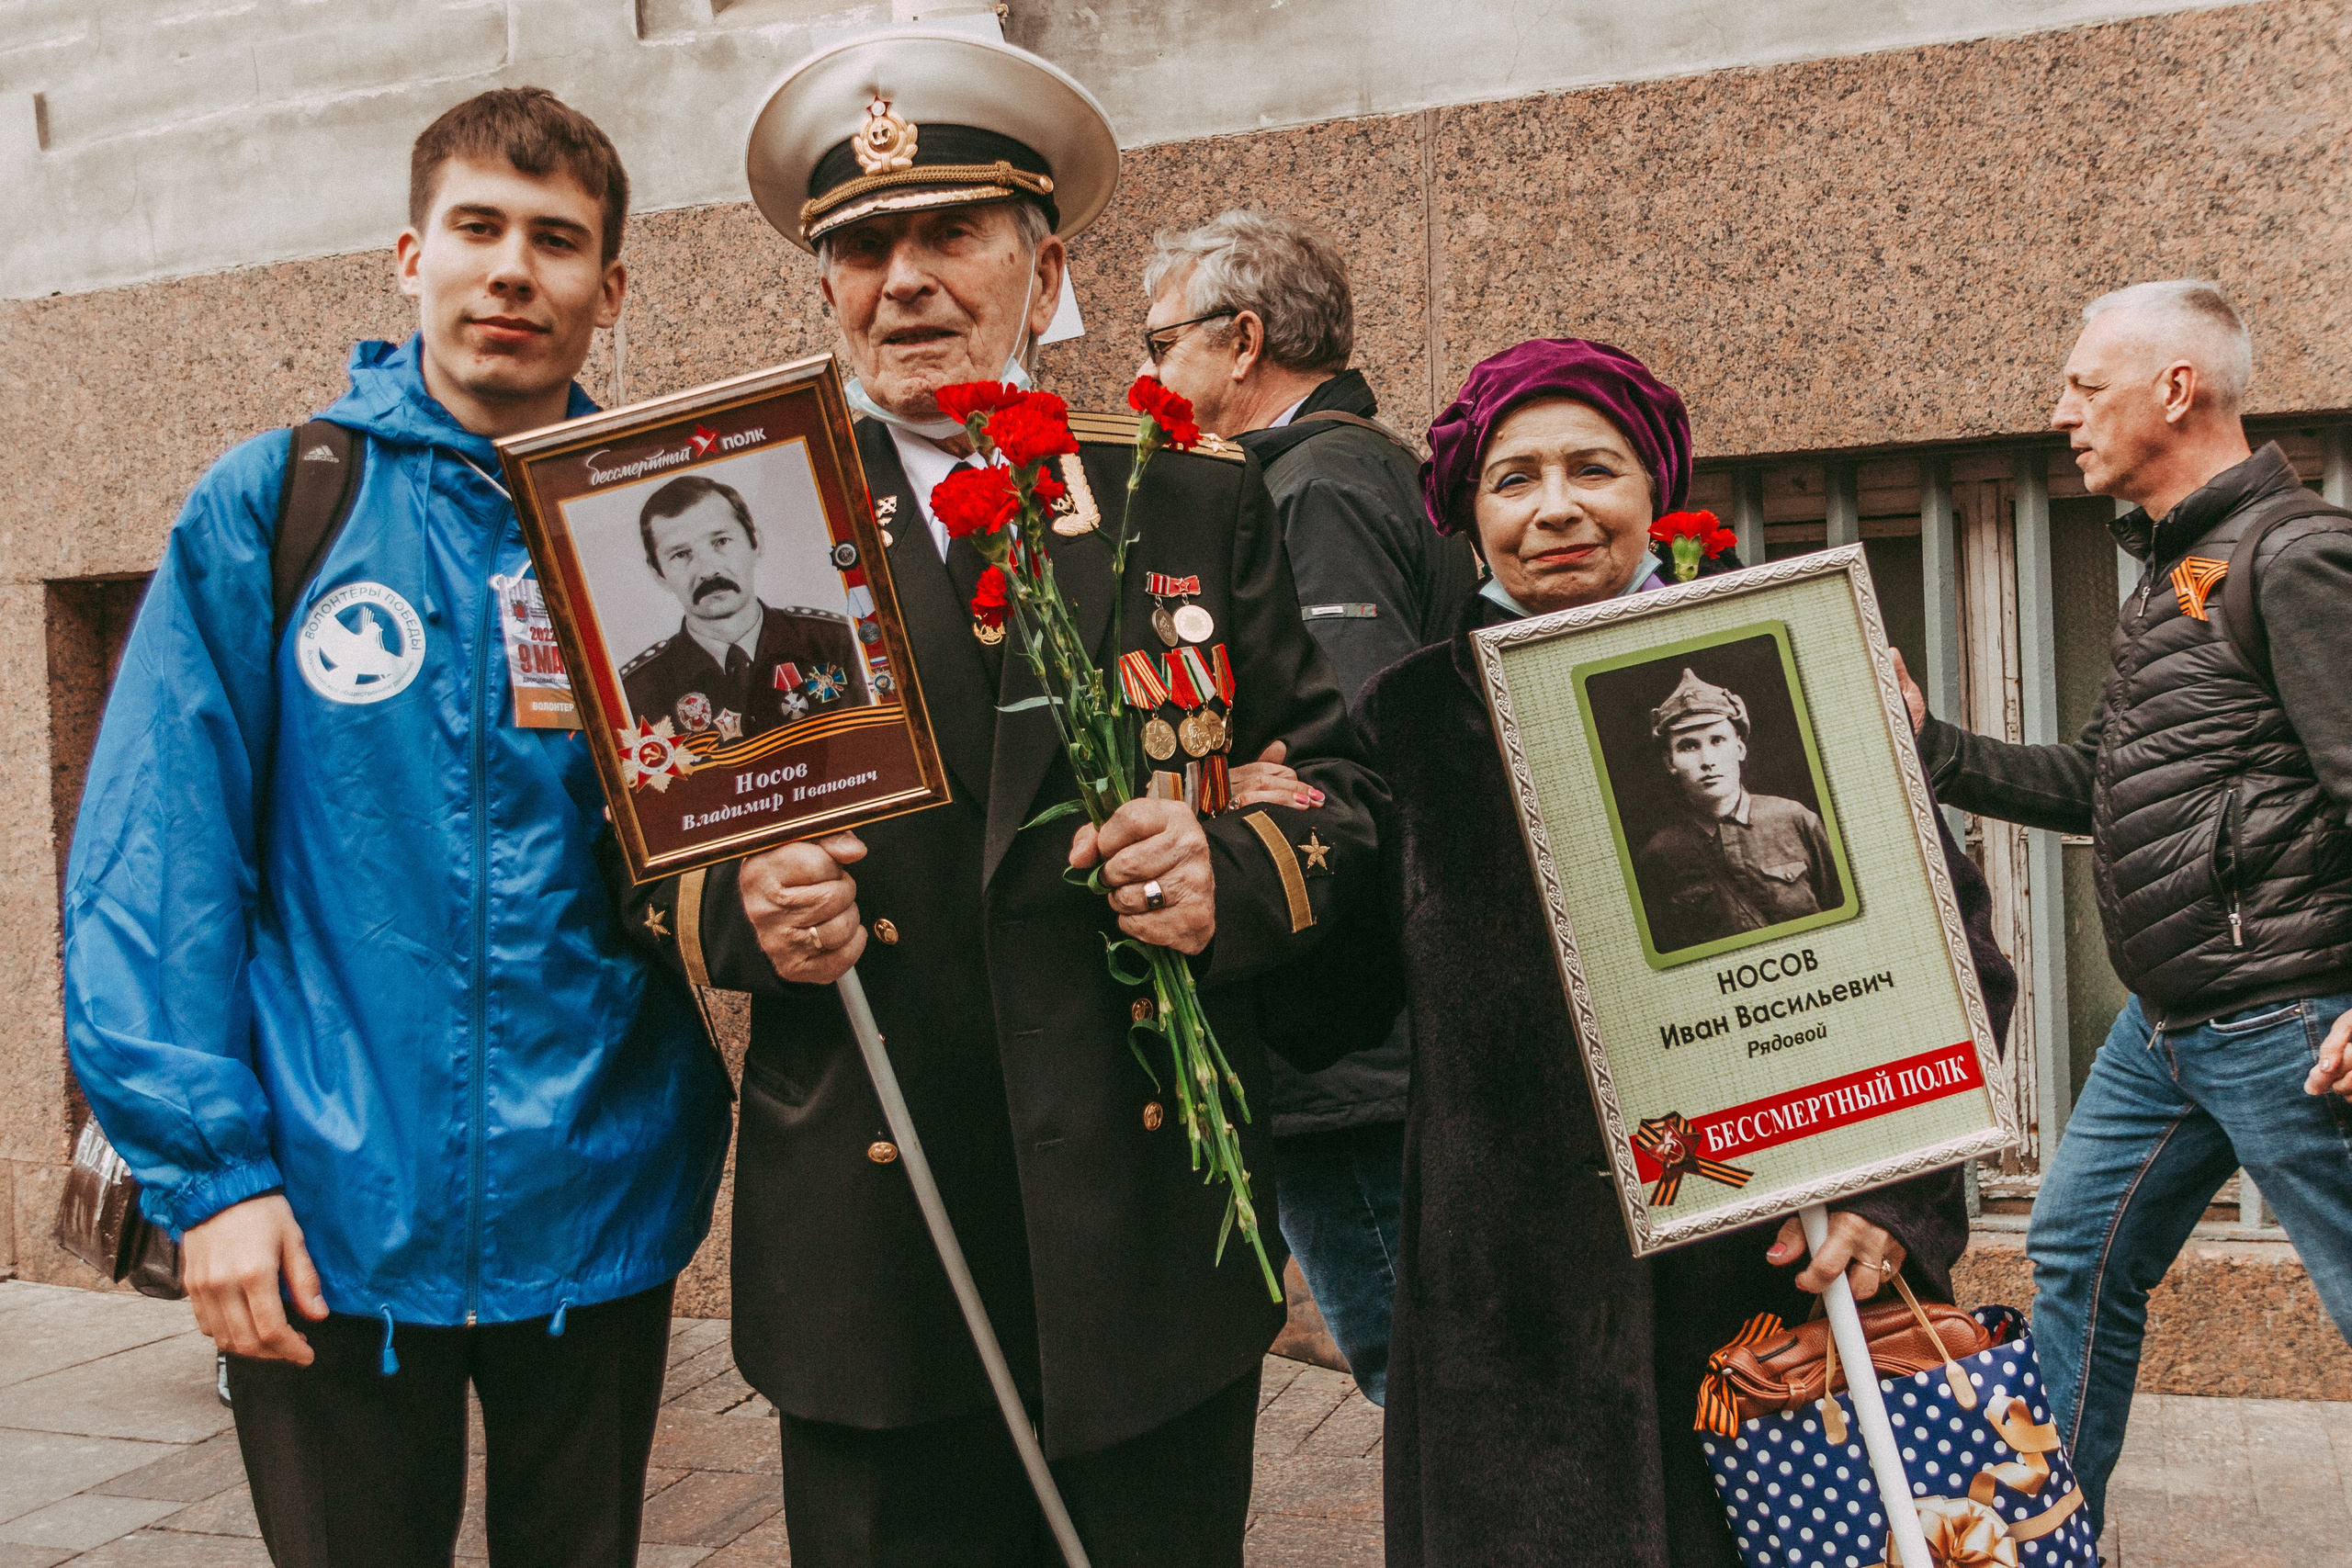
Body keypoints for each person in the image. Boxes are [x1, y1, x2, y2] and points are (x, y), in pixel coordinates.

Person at [616, 33, 1384, 1566]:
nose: (904, 280)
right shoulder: (740, 517)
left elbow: (1344, 792)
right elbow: (636, 845)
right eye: (863, 249)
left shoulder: (1189, 494)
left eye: (949, 233)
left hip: (1145, 1231)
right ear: (826, 290)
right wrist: (741, 909)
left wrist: (1229, 869)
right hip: (876, 1245)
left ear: (1044, 275)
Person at [60, 89, 732, 1568]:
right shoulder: (277, 503)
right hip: (323, 1212)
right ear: (411, 256)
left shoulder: (654, 524)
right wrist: (213, 1178)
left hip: (598, 1191)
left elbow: (733, 822)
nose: (513, 271)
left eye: (556, 239)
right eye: (478, 228)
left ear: (612, 286)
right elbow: (159, 862)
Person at [1339, 338, 2015, 1566]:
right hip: (1516, 1320)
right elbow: (1331, 1002)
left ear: (1653, 488)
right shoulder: (1409, 722)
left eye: (1592, 467)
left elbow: (1952, 953)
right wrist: (1260, 856)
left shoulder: (1791, 654)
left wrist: (1894, 1205)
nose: (1555, 507)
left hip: (1760, 1281)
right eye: (1513, 478)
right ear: (1466, 514)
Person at [1891, 278, 2352, 1536]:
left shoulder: (2294, 557)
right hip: (2168, 1026)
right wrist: (1928, 744)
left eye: (2085, 386)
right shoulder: (2173, 578)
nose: (2063, 412)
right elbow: (2098, 783)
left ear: (2176, 389)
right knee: (2075, 1250)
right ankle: (2047, 1538)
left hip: (2286, 1022)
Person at [1137, 209, 1476, 1405]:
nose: (1146, 375)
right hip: (1372, 1023)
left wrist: (1210, 790)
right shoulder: (1349, 469)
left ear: (1242, 341)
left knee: (1419, 1376)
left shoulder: (1316, 489)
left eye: (1161, 342)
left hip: (1348, 1030)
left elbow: (1347, 753)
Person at [621, 472, 868, 739]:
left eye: (721, 541)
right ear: (658, 573)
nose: (708, 570)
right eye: (681, 554)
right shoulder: (635, 693)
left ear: (755, 542)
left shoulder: (838, 643)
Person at [1632, 667, 1842, 953]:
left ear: (1740, 749)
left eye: (1717, 740)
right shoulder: (1659, 855)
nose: (1707, 760)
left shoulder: (1795, 819)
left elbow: (1844, 912)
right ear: (1670, 762)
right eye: (1688, 747)